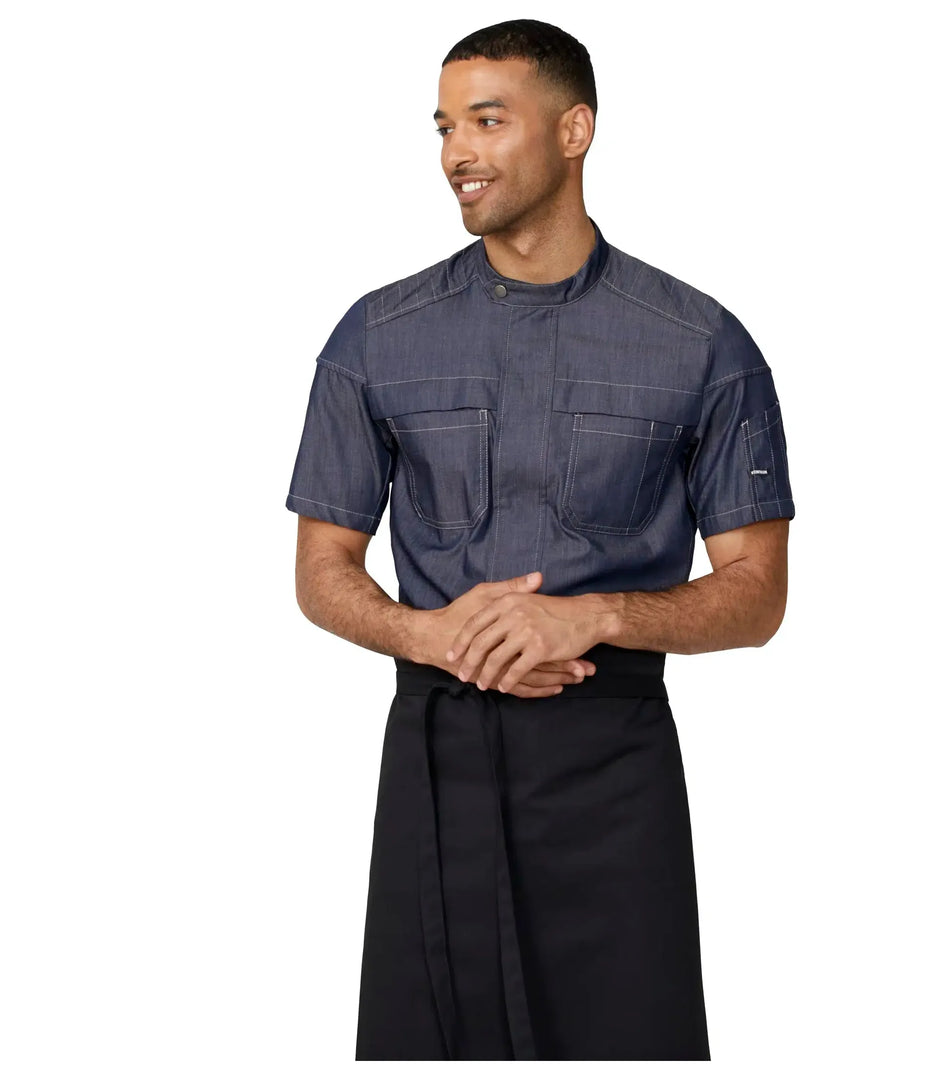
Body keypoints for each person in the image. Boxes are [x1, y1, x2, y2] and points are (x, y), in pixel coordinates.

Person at [285, 18, 795, 1061]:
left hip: (616, 769)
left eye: (487, 121)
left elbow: (759, 595)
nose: (456, 153)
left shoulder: (704, 344)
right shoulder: (375, 337)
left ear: (574, 131)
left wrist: (595, 614)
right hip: (438, 757)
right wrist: (430, 636)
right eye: (443, 127)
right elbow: (320, 570)